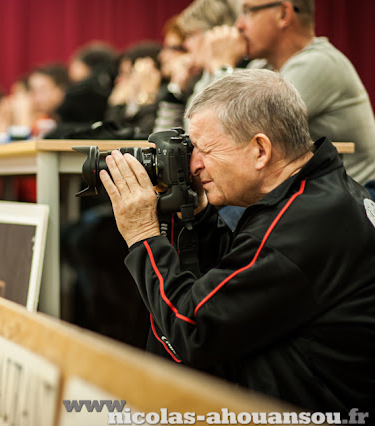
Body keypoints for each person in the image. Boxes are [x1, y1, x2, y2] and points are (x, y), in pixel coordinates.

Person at [98, 69, 375, 413]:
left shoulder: (297, 229)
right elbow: (239, 278)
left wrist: (142, 235)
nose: (193, 165)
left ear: (260, 150)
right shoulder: (318, 192)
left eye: (205, 149)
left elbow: (190, 330)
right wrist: (200, 216)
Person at [197, 0, 375, 188]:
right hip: (316, 190)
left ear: (283, 14)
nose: (239, 25)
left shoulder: (319, 63)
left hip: (357, 194)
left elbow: (230, 132)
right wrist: (213, 67)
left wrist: (222, 67)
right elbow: (197, 131)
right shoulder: (262, 67)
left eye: (248, 11)